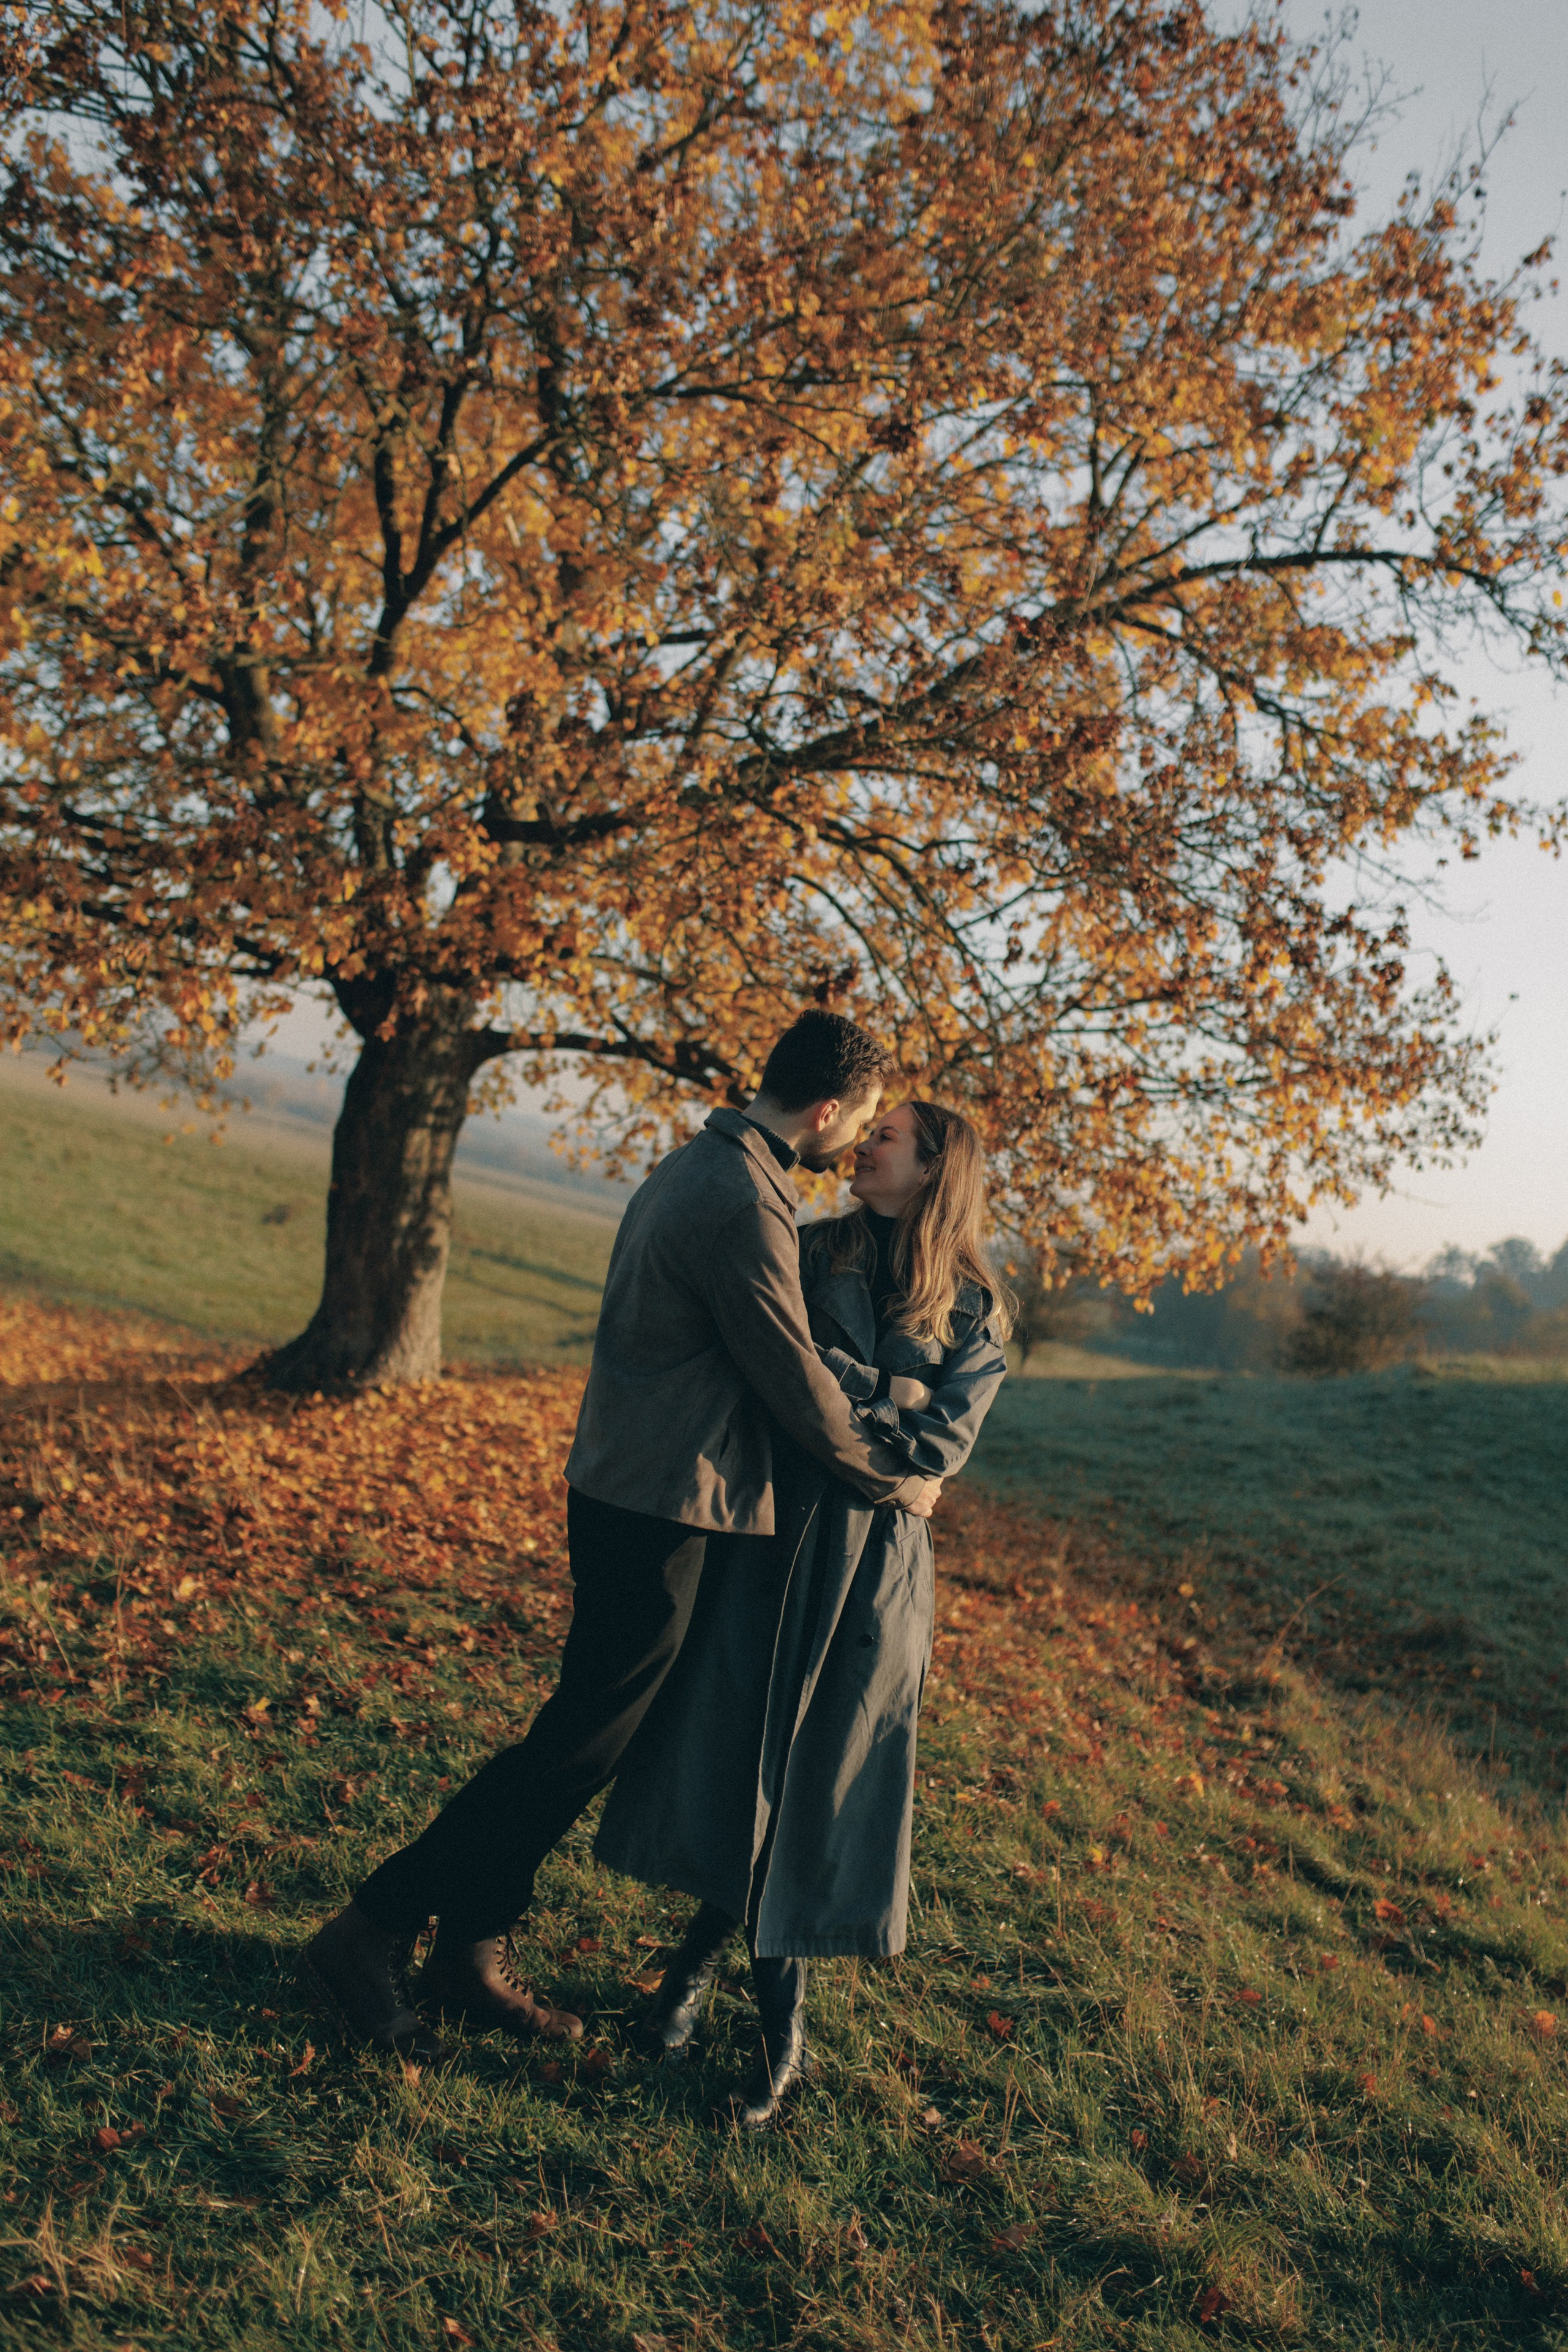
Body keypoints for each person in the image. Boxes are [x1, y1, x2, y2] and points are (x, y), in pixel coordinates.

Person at [300, 1011, 941, 2057]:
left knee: (581, 1738)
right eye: (861, 1118)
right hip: (658, 1507)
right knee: (572, 1748)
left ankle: (467, 1951)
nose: (858, 1139)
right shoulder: (742, 1202)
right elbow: (795, 1383)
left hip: (632, 1489)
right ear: (827, 1109)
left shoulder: (707, 1165)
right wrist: (894, 1478)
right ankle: (368, 1930)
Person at [594, 1099, 1010, 2125]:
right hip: (766, 1538)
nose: (864, 1144)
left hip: (872, 1576)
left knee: (815, 1781)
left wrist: (846, 1390)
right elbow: (766, 1376)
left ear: (932, 1171)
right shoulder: (807, 1248)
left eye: (888, 1139)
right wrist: (891, 1395)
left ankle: (771, 2035)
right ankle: (695, 1990)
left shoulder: (975, 1309)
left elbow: (940, 1449)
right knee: (742, 1764)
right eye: (867, 1131)